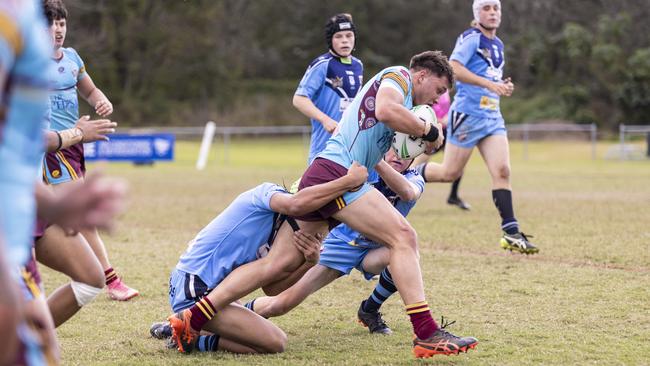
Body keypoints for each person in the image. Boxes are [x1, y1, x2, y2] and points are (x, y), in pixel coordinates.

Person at [168, 51, 477, 359]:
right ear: (422, 75)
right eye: (439, 90)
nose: (437, 100)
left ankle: (192, 321)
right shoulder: (397, 76)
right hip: (339, 172)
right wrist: (429, 130)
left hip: (330, 172)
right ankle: (425, 332)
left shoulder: (406, 102)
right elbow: (384, 110)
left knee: (276, 268)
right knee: (404, 237)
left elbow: (392, 129)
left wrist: (421, 132)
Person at [161, 164, 368, 354]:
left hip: (203, 287)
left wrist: (309, 262)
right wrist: (348, 182)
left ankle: (182, 327)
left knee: (266, 338)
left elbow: (272, 289)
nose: (320, 232)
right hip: (193, 285)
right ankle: (191, 333)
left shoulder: (283, 234)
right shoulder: (268, 194)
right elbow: (295, 204)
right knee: (275, 342)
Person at [244, 149, 429, 338]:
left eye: (407, 153)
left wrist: (377, 159)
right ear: (384, 148)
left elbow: (407, 193)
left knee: (406, 254)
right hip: (339, 244)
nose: (399, 156)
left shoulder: (413, 178)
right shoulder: (362, 169)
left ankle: (370, 309)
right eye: (395, 149)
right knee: (281, 304)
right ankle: (235, 313)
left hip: (374, 250)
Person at [418, 0, 539, 254]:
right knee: (449, 173)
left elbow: (491, 79)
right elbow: (454, 68)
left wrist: (502, 86)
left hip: (492, 116)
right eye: (487, 8)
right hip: (467, 115)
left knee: (503, 170)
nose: (493, 13)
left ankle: (511, 231)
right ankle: (407, 172)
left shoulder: (499, 44)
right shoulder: (471, 37)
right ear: (477, 13)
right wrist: (488, 84)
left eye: (496, 8)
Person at [41, 0, 139, 300]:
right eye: (51, 24)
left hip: (71, 145)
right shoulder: (28, 64)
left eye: (61, 24)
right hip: (50, 147)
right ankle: (111, 279)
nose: (58, 30)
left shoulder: (71, 59)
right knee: (78, 215)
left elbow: (90, 89)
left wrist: (100, 100)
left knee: (55, 216)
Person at [294, 13, 363, 163]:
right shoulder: (322, 64)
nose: (345, 40)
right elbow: (299, 99)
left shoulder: (358, 65)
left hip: (352, 148)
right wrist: (325, 120)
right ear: (330, 40)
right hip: (324, 148)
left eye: (349, 35)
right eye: (338, 36)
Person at [413, 91, 471, 210]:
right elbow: (419, 112)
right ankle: (400, 193)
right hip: (431, 132)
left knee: (459, 165)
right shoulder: (429, 88)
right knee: (415, 166)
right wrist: (439, 120)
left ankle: (453, 196)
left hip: (447, 131)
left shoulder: (444, 88)